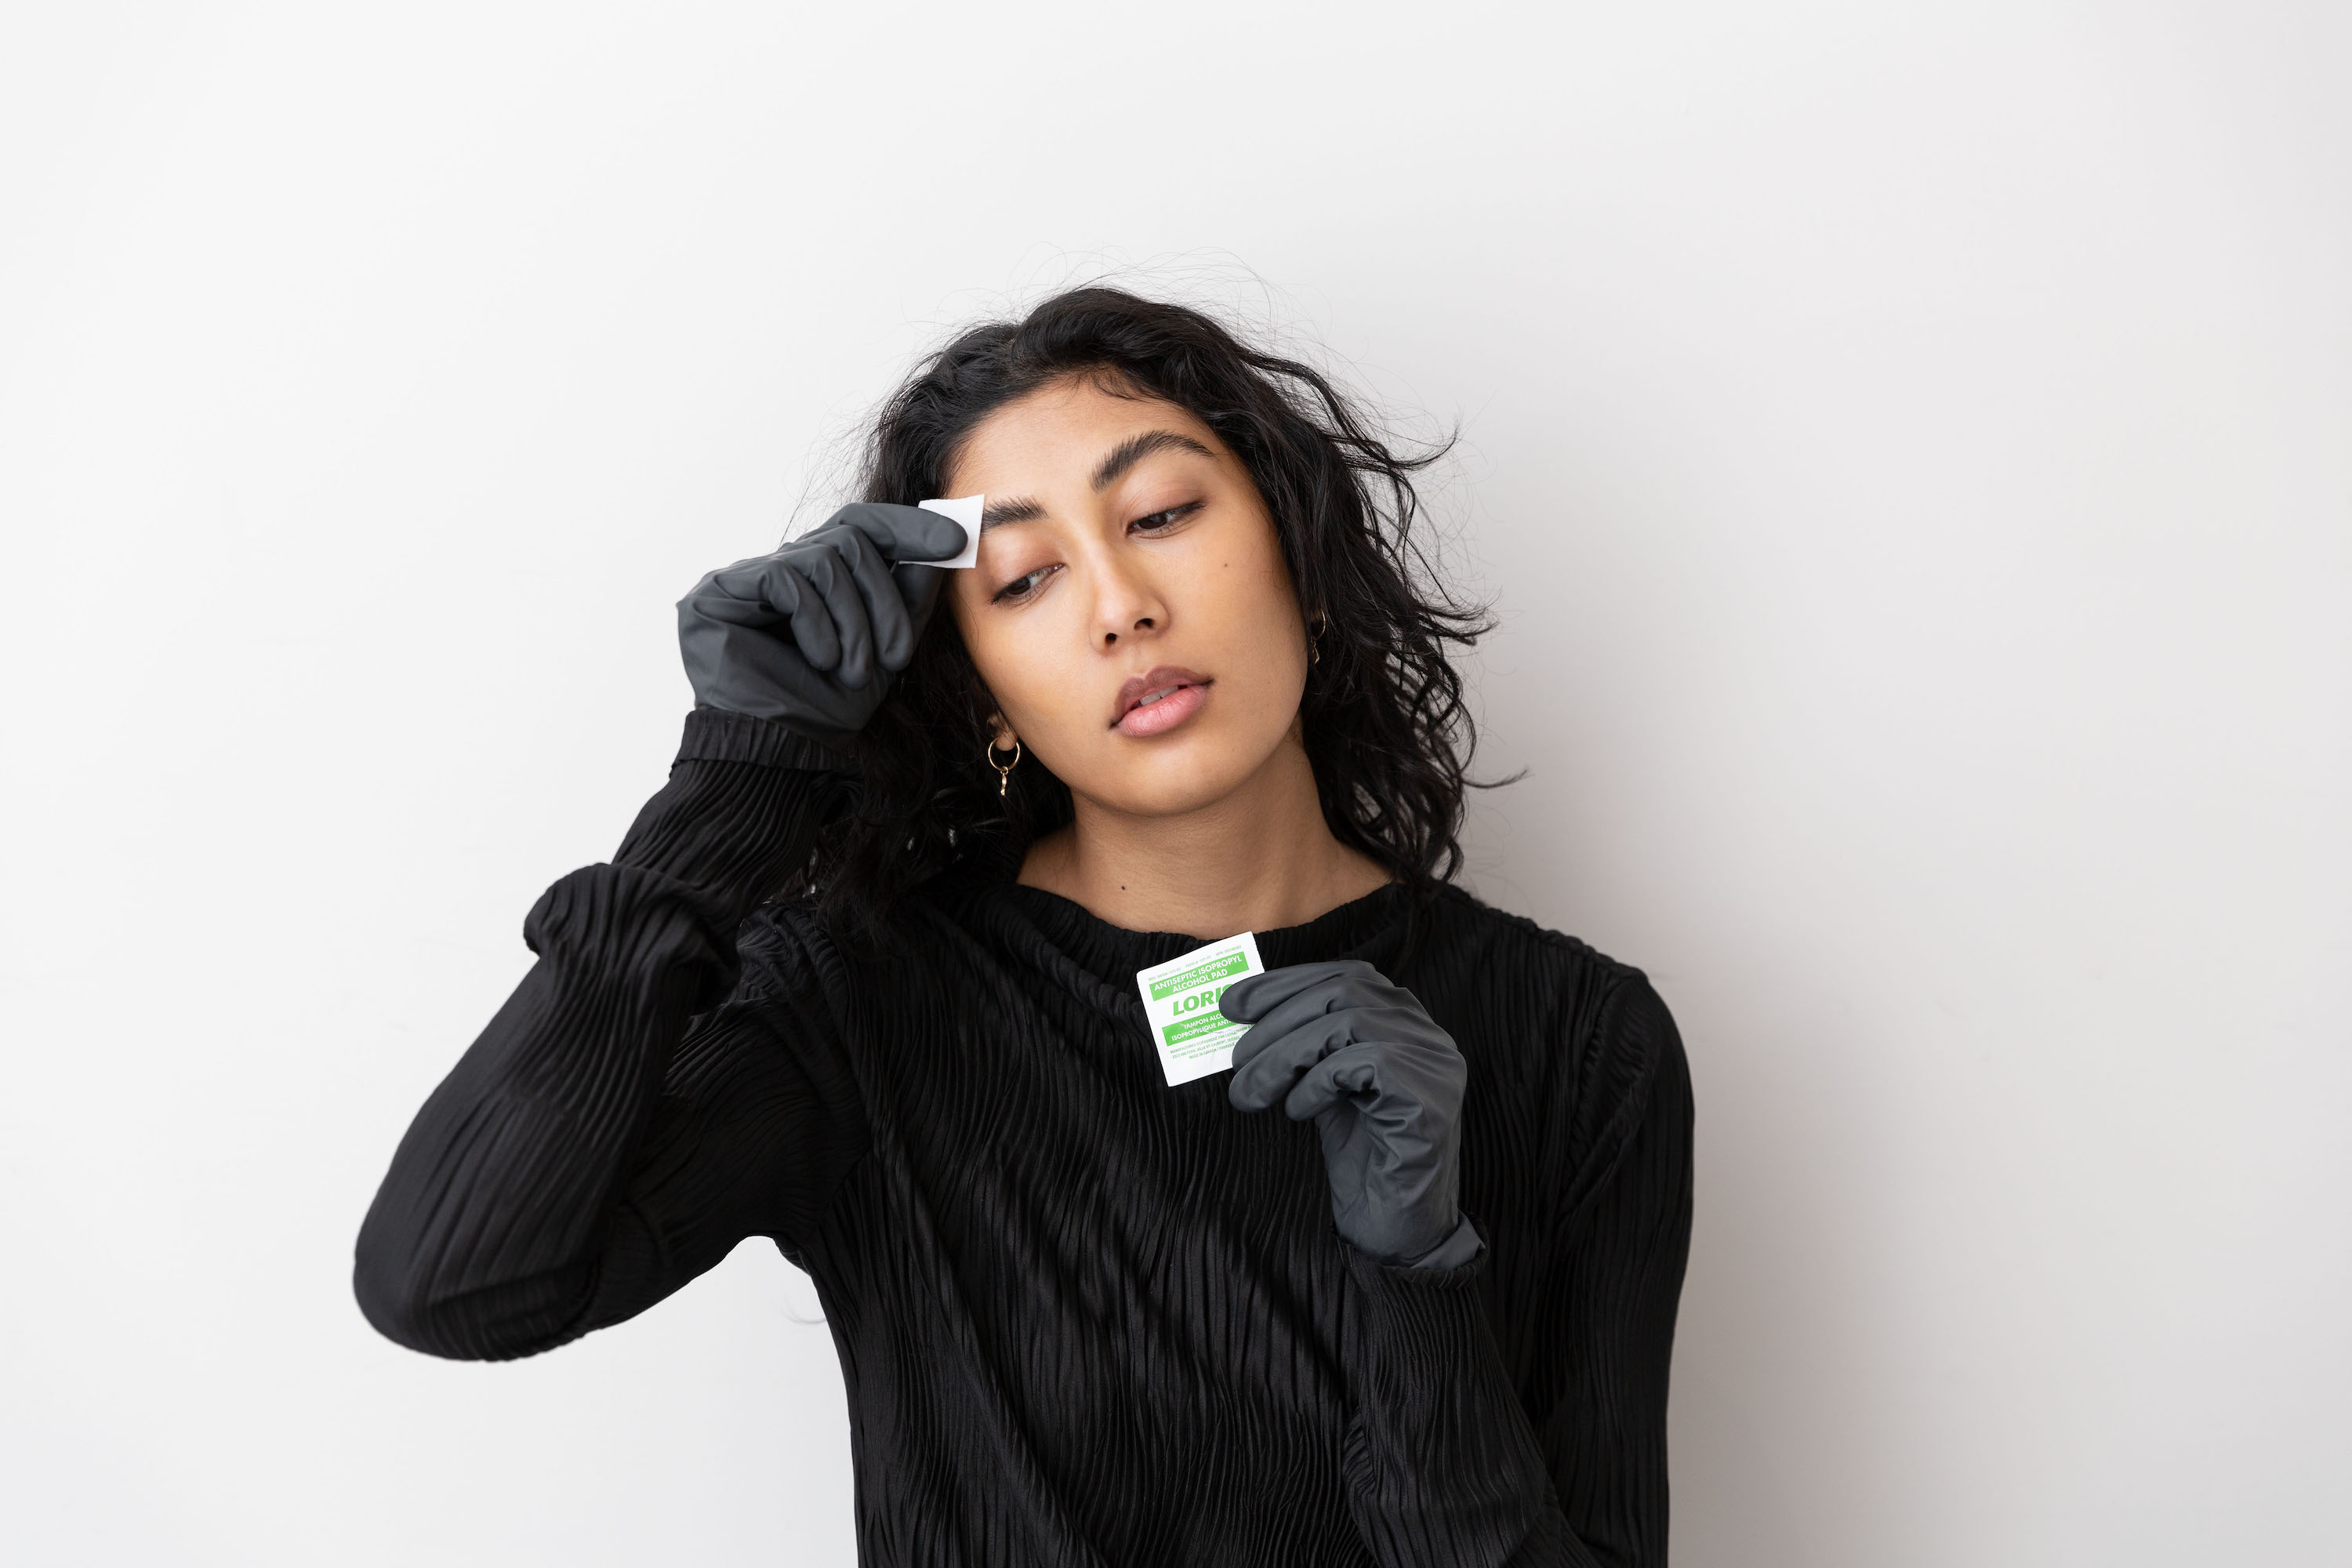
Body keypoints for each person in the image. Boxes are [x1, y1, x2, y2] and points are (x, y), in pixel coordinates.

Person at [353, 287, 1695, 1567]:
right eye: (1022, 580)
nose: (1121, 606)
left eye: (1161, 513)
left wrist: (1418, 1276)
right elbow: (450, 1281)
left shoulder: (1581, 1040)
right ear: (986, 690)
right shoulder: (858, 1002)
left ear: (1303, 559)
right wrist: (739, 780)